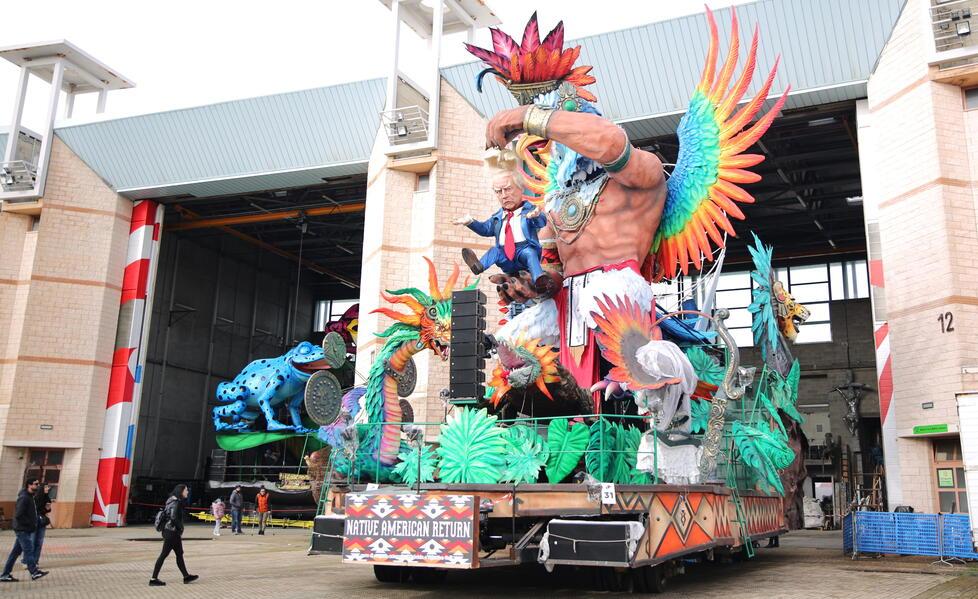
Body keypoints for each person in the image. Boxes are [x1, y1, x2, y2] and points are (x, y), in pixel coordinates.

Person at [453, 160, 551, 294]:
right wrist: (470, 222)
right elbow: (485, 229)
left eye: (508, 189)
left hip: (524, 251)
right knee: (495, 251)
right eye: (498, 192)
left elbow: (541, 222)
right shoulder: (497, 217)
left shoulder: (528, 211)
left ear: (520, 188)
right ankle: (478, 266)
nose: (504, 196)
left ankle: (539, 279)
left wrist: (535, 216)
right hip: (505, 256)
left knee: (530, 253)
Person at [150, 484, 198, 587]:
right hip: (171, 532)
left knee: (179, 553)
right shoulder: (176, 503)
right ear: (181, 491)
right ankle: (153, 579)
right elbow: (174, 517)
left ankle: (186, 576)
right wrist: (181, 528)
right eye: (186, 490)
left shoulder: (170, 500)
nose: (187, 492)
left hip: (171, 531)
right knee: (164, 554)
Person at [0, 479, 47, 582]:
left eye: (38, 484)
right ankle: (34, 572)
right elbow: (18, 515)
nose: (38, 486)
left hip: (24, 529)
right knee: (28, 550)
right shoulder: (24, 498)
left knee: (15, 553)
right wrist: (29, 524)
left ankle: (5, 574)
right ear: (29, 485)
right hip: (22, 529)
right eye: (35, 484)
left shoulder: (30, 497)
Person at [29, 483, 53, 571]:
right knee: (32, 541)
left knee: (39, 542)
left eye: (48, 487)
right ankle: (27, 561)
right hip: (34, 521)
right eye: (46, 487)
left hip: (42, 521)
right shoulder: (35, 498)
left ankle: (35, 561)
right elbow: (35, 509)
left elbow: (48, 509)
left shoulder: (47, 497)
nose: (48, 488)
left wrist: (48, 508)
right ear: (42, 488)